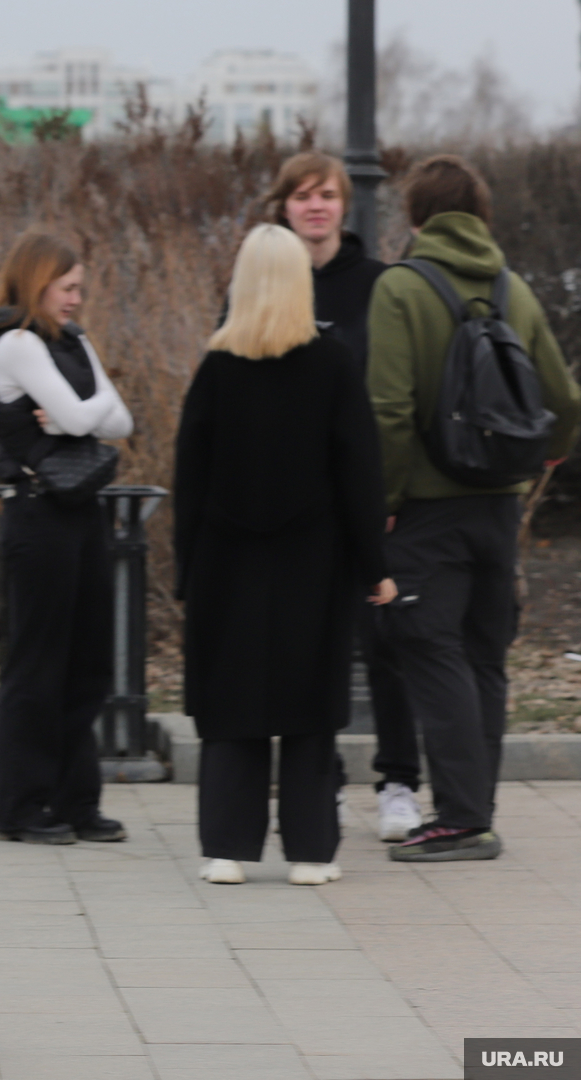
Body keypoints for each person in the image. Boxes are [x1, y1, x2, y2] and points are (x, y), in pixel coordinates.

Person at [369, 155, 581, 863]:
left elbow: (387, 409)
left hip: (426, 514)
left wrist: (382, 504)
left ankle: (461, 820)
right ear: (482, 215)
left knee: (433, 654)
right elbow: (564, 399)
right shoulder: (512, 287)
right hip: (498, 510)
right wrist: (540, 461)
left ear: (415, 217)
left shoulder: (400, 287)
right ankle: (475, 812)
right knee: (485, 657)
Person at [175, 224, 396, 886]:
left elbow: (190, 477)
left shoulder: (216, 370)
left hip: (225, 560)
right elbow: (359, 473)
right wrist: (374, 564)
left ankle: (227, 847)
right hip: (314, 560)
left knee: (231, 703)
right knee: (309, 705)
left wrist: (186, 567)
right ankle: (310, 850)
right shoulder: (333, 365)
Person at [265, 151, 422, 842]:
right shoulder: (263, 282)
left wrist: (384, 491)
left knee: (386, 643)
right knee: (304, 652)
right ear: (284, 206)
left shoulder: (378, 284)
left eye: (326, 194)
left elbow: (395, 396)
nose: (315, 206)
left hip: (363, 499)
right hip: (291, 509)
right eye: (302, 195)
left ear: (343, 205)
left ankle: (398, 782)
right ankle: (317, 782)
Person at [0, 232, 134, 845]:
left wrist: (78, 410)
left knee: (88, 663)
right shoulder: (16, 344)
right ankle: (21, 807)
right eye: (67, 287)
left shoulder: (74, 340)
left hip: (83, 512)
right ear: (37, 282)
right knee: (39, 664)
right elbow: (88, 416)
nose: (76, 299)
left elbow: (122, 418)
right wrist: (82, 410)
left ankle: (77, 801)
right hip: (38, 516)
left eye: (80, 289)